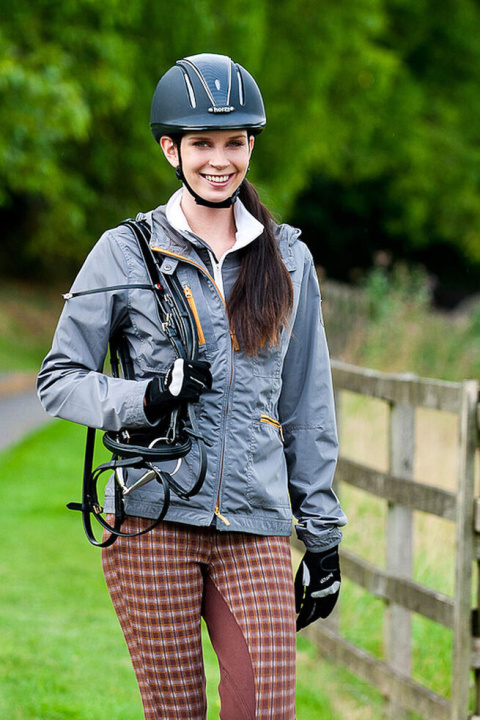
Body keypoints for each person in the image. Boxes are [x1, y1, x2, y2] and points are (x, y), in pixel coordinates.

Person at [37, 53, 347, 720]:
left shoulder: (288, 258)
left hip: (255, 524)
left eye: (234, 142)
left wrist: (321, 539)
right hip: (152, 518)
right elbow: (58, 381)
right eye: (202, 144)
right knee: (175, 713)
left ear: (250, 146)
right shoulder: (124, 251)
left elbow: (308, 405)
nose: (219, 160)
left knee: (264, 709)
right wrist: (144, 397)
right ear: (170, 149)